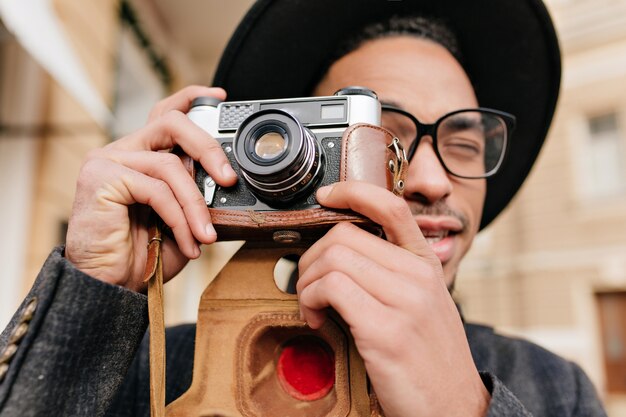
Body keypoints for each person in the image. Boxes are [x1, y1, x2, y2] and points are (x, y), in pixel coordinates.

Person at [0, 0, 609, 416]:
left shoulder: (556, 391)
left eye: (464, 143)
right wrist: (90, 296)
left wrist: (466, 405)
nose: (430, 179)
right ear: (281, 151)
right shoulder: (149, 365)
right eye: (385, 141)